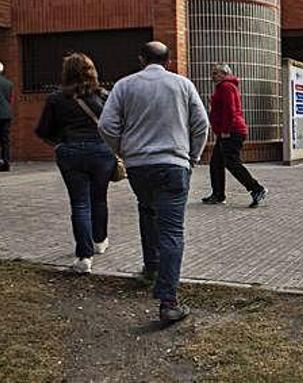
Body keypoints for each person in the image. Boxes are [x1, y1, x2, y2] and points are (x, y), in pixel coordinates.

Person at [98, 41, 208, 323]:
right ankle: (168, 300)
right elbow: (201, 125)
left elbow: (106, 125)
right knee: (172, 230)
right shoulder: (183, 85)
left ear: (140, 58)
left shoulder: (124, 86)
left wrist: (123, 149)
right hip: (173, 166)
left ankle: (151, 267)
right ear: (169, 61)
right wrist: (191, 157)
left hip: (139, 167)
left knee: (147, 211)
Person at [34, 54, 117, 274]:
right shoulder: (104, 96)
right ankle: (100, 241)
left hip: (70, 151)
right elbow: (115, 126)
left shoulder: (56, 99)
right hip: (101, 152)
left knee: (80, 203)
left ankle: (84, 256)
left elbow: (43, 131)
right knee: (99, 198)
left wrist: (60, 145)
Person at [201, 64, 268, 207]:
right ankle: (218, 195)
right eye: (212, 73)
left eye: (215, 73)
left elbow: (230, 110)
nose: (212, 76)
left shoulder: (226, 87)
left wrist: (225, 130)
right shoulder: (224, 87)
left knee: (231, 162)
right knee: (216, 163)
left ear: (224, 74)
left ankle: (257, 189)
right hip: (228, 131)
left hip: (231, 131)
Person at [0, 61, 13, 172]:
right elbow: (8, 99)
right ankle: (6, 162)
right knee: (5, 140)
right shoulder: (8, 83)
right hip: (6, 114)